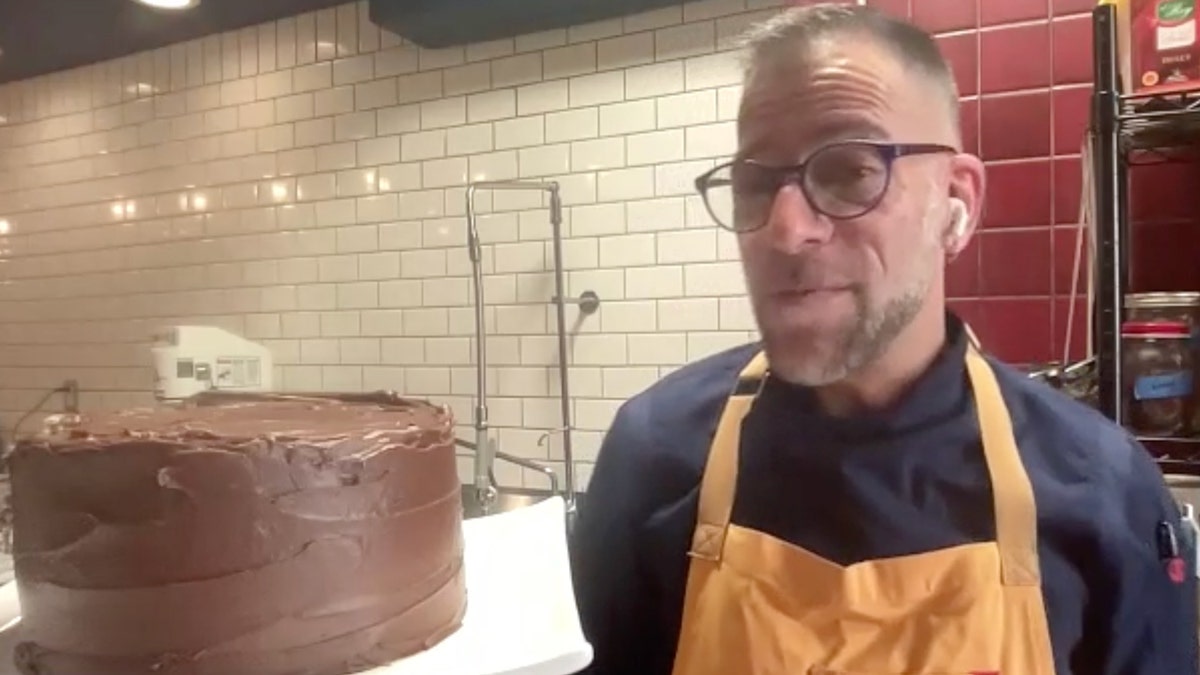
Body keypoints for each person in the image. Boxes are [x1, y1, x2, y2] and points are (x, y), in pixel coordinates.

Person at [568, 5, 1199, 675]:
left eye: (849, 170)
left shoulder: (1104, 489)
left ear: (957, 202)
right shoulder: (654, 456)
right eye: (756, 182)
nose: (786, 230)